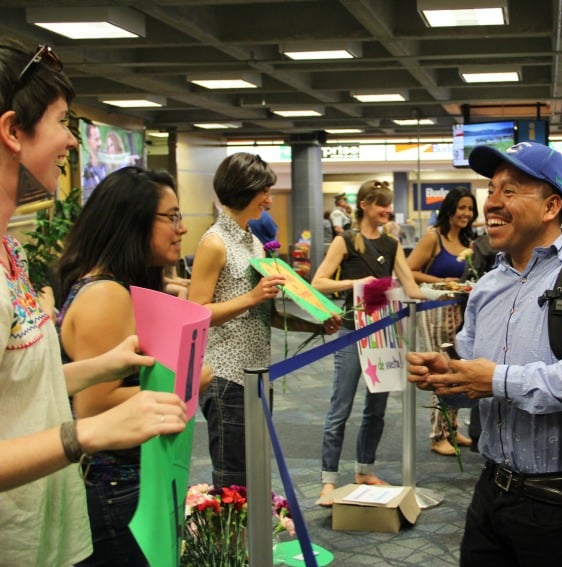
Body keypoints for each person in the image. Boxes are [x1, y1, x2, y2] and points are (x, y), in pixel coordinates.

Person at [0, 39, 187, 565]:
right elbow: (80, 418)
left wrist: (103, 367)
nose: (69, 141)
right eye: (62, 122)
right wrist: (84, 433)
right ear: (13, 130)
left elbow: (16, 389)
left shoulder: (10, 250)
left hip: (48, 530)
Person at [406, 141, 562, 566]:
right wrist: (449, 378)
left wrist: (495, 378)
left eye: (509, 191)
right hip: (489, 491)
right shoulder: (489, 287)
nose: (490, 202)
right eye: (491, 189)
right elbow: (475, 386)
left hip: (557, 503)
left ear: (551, 206)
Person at [55, 167, 208, 567]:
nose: (181, 229)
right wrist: (187, 383)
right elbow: (92, 408)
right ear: (133, 220)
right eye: (171, 217)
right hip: (115, 487)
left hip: (133, 478)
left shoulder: (119, 288)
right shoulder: (105, 295)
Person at [189, 152, 341, 489]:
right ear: (245, 189)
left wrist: (316, 324)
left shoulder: (253, 242)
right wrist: (252, 296)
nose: (269, 201)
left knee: (257, 471)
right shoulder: (214, 243)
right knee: (233, 480)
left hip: (257, 373)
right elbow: (196, 313)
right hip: (226, 375)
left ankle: (255, 542)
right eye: (265, 192)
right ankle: (236, 542)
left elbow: (265, 314)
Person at [311, 179, 424, 506]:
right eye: (381, 204)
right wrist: (355, 282)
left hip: (384, 335)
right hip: (350, 331)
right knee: (340, 407)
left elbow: (410, 285)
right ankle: (328, 480)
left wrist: (446, 295)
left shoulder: (391, 244)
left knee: (377, 409)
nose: (387, 210)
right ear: (364, 205)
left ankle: (365, 469)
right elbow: (318, 282)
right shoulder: (345, 240)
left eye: (388, 204)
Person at [406, 187, 478, 455]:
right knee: (441, 370)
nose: (466, 214)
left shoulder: (468, 243)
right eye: (461, 208)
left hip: (459, 311)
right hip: (434, 310)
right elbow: (409, 271)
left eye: (470, 209)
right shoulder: (432, 238)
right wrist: (442, 282)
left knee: (457, 367)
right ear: (449, 209)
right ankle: (437, 435)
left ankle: (451, 429)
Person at [81, 121, 107, 201]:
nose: (99, 143)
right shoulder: (86, 174)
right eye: (96, 139)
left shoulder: (109, 162)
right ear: (89, 143)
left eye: (99, 139)